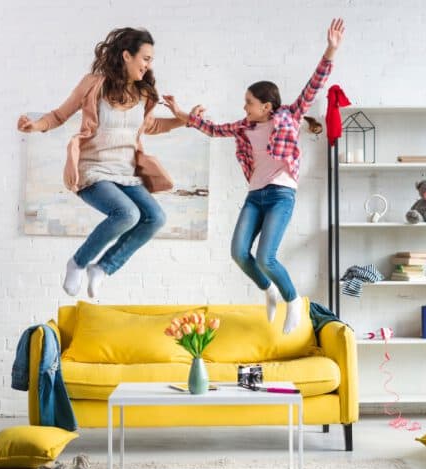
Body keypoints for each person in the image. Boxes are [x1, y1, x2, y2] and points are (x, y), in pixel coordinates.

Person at [163, 19, 345, 333]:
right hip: (255, 195)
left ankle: (293, 302)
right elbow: (213, 129)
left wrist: (330, 49)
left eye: (249, 102)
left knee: (266, 257)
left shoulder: (289, 115)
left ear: (266, 106)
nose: (244, 106)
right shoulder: (245, 126)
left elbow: (314, 85)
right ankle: (268, 290)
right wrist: (181, 113)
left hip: (281, 195)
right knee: (238, 252)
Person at [18, 28, 184, 298]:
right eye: (145, 58)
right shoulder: (93, 84)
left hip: (126, 173)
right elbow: (59, 115)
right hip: (93, 171)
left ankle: (103, 267)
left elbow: (151, 126)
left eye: (151, 60)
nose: (148, 65)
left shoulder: (144, 94)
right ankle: (78, 263)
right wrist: (35, 125)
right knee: (127, 214)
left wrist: (183, 119)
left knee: (155, 218)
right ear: (127, 56)